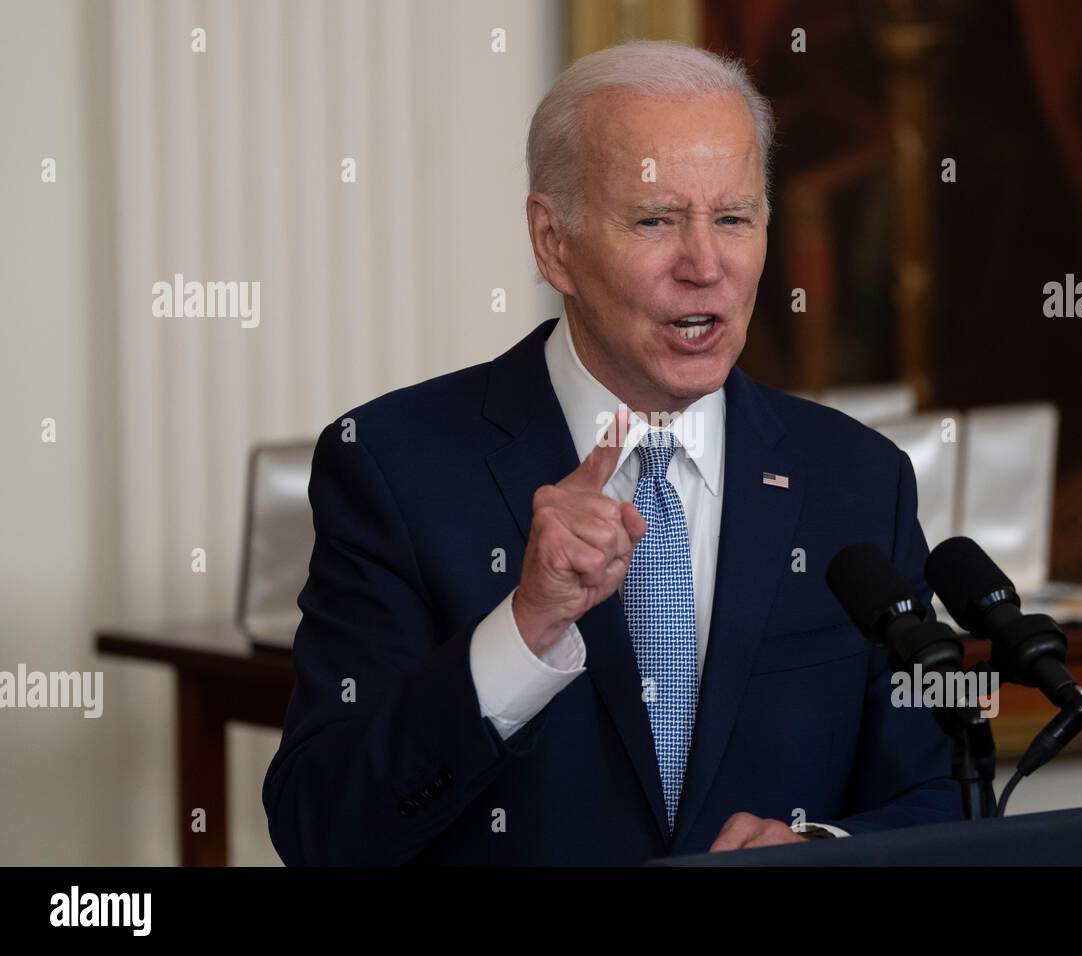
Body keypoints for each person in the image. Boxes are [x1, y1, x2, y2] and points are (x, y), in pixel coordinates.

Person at [263, 39, 961, 866]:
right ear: (553, 242)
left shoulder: (856, 479)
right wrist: (525, 630)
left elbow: (947, 788)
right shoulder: (394, 466)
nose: (705, 266)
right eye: (656, 221)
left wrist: (820, 846)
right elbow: (320, 828)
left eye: (733, 218)